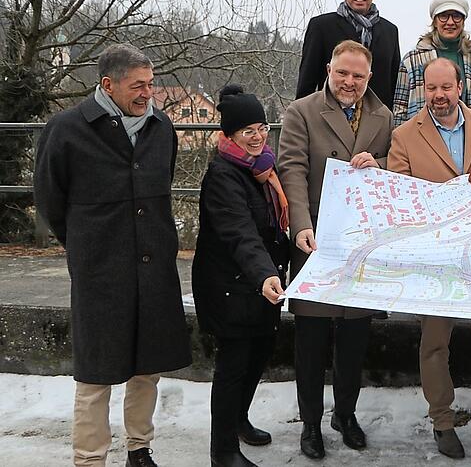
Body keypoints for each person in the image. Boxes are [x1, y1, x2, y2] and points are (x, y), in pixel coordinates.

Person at [33, 43, 192, 467]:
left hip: (153, 266)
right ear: (108, 84)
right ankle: (90, 459)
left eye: (151, 84)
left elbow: (163, 184)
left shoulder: (162, 128)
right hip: (100, 271)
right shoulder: (66, 129)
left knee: (147, 368)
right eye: (138, 85)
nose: (148, 94)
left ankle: (139, 449)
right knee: (95, 374)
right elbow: (50, 201)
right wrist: (89, 245)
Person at [388, 57, 471, 459]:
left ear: (460, 86)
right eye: (431, 89)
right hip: (436, 257)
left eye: (446, 88)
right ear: (422, 90)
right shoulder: (404, 136)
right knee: (434, 342)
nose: (439, 96)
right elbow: (398, 193)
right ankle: (442, 420)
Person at [278, 40, 393, 460]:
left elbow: (394, 167)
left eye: (358, 76)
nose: (349, 82)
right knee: (310, 339)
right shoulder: (302, 111)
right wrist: (301, 227)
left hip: (360, 245)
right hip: (315, 241)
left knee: (354, 338)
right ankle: (311, 422)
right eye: (342, 73)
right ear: (328, 69)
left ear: (369, 78)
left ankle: (346, 413)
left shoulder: (383, 116)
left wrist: (378, 164)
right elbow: (292, 168)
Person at [192, 85, 290, 467]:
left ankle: (239, 419)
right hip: (230, 285)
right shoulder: (222, 175)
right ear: (229, 135)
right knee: (233, 365)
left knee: (259, 354)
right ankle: (223, 451)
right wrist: (265, 272)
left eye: (262, 127)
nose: (257, 136)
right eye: (247, 130)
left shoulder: (263, 167)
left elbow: (273, 224)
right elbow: (239, 232)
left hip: (261, 282)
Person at [296, 0, 400, 108]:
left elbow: (394, 82)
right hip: (330, 117)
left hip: (376, 120)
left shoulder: (390, 32)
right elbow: (307, 80)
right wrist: (302, 116)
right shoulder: (321, 26)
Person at [392, 0, 471, 126]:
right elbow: (399, 109)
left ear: (463, 21)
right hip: (421, 136)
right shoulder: (412, 60)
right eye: (443, 16)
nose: (450, 22)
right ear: (434, 21)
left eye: (456, 16)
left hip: (465, 136)